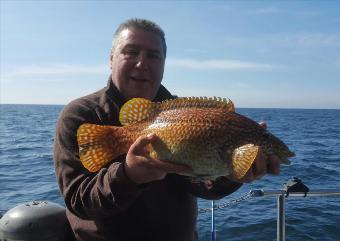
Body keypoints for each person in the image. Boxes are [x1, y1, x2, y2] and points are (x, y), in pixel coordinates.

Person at [53, 18, 281, 241]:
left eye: (153, 55)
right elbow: (78, 201)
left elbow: (203, 185)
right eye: (131, 52)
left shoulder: (186, 113)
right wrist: (128, 175)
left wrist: (233, 174)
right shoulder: (81, 114)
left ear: (163, 64)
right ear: (111, 59)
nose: (142, 63)